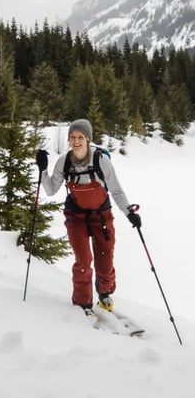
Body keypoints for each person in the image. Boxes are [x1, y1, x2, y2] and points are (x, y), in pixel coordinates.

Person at [35, 119, 141, 317]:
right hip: (77, 218)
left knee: (105, 260)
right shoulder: (64, 162)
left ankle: (105, 294)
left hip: (102, 217)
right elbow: (50, 190)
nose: (76, 141)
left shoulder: (101, 160)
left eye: (80, 137)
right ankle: (83, 303)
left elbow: (117, 191)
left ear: (88, 139)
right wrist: (42, 169)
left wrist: (129, 212)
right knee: (83, 261)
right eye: (72, 137)